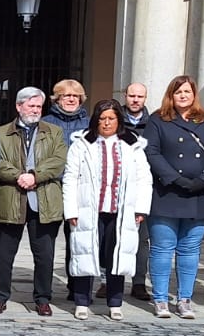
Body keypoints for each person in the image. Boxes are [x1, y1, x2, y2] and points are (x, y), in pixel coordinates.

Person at [144, 75, 204, 319]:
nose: (183, 95)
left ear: (194, 95)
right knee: (162, 248)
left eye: (187, 91)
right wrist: (174, 178)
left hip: (198, 193)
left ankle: (184, 299)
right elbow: (152, 151)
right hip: (167, 192)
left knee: (190, 249)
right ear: (171, 94)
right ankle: (160, 299)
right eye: (178, 91)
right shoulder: (158, 119)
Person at [63, 99, 152, 320]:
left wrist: (141, 208)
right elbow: (70, 178)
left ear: (119, 120)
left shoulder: (132, 145)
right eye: (102, 118)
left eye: (111, 118)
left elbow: (144, 179)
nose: (106, 123)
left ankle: (115, 302)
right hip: (88, 209)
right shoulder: (82, 144)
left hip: (121, 211)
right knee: (85, 252)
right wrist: (71, 210)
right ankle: (82, 300)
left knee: (116, 256)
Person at [0, 86, 67, 316]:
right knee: (4, 254)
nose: (35, 110)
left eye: (38, 106)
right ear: (18, 106)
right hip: (11, 199)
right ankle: (0, 297)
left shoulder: (54, 132)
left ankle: (43, 298)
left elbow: (58, 160)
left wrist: (35, 176)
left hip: (43, 200)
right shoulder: (0, 133)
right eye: (31, 105)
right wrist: (18, 176)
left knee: (44, 255)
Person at [121, 81, 154, 300]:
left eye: (139, 97)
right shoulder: (114, 120)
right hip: (117, 187)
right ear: (125, 96)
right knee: (112, 237)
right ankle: (108, 280)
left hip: (143, 186)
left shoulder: (154, 124)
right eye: (132, 96)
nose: (135, 100)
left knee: (142, 239)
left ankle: (139, 281)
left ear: (145, 98)